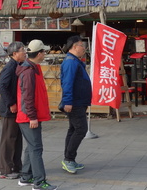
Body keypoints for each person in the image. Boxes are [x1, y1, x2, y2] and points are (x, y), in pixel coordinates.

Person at [16, 39, 55, 190]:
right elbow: (28, 97)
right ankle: (39, 182)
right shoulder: (28, 71)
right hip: (28, 117)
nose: (45, 54)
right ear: (39, 54)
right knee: (36, 148)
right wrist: (32, 117)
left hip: (29, 116)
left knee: (31, 147)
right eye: (44, 51)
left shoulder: (32, 68)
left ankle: (26, 177)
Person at [60, 35, 92, 174]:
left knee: (73, 129)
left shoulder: (75, 61)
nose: (84, 48)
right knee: (81, 130)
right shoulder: (70, 62)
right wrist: (67, 101)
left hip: (79, 101)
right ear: (74, 47)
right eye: (81, 46)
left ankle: (70, 159)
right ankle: (68, 159)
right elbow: (67, 83)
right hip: (75, 102)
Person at [0, 41, 26, 180]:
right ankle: (5, 169)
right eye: (22, 50)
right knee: (8, 139)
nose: (25, 53)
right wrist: (11, 103)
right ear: (15, 53)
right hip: (10, 109)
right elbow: (2, 85)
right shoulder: (10, 67)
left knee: (16, 138)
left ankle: (16, 166)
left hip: (16, 107)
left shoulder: (18, 65)